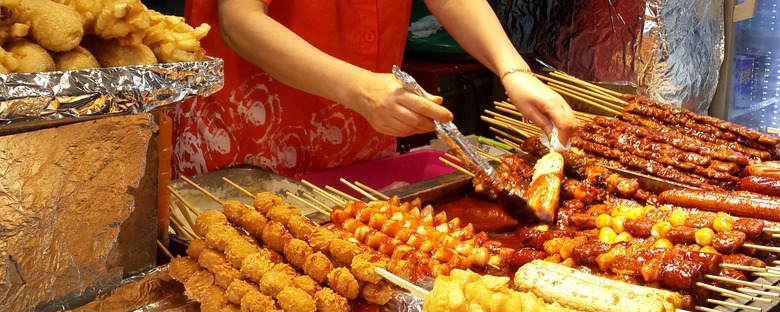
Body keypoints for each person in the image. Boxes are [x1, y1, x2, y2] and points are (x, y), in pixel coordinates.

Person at [171, 0, 578, 178]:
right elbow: (238, 20)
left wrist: (513, 71)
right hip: (253, 142)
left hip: (358, 137)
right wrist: (361, 89)